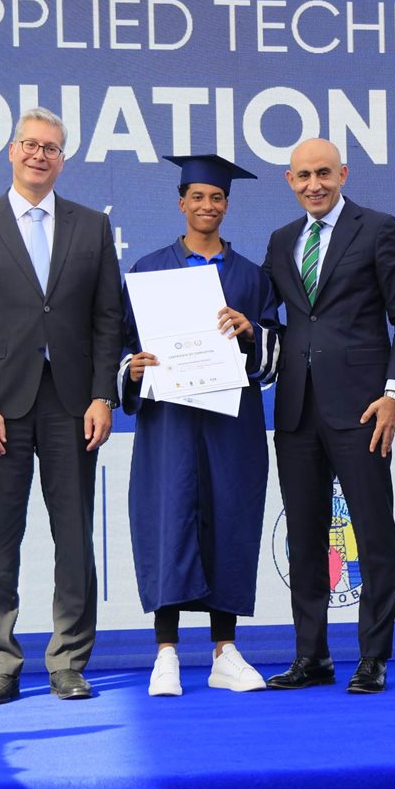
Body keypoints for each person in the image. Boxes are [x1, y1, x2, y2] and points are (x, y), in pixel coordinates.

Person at [0, 107, 122, 706]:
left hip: (73, 404)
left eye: (51, 148)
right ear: (11, 151)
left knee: (74, 536)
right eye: (30, 144)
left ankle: (68, 660)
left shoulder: (92, 226)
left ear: (62, 160)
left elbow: (107, 320)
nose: (39, 155)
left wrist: (102, 395)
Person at [261, 138, 395, 694]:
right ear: (289, 181)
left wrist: (394, 393)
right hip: (296, 410)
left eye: (324, 174)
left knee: (373, 534)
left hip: (363, 409)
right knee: (304, 538)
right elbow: (264, 314)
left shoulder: (379, 229)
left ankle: (373, 657)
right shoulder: (282, 240)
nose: (314, 185)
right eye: (304, 175)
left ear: (343, 174)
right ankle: (311, 657)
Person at [121, 154, 281, 696]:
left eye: (216, 198)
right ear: (181, 203)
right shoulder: (148, 271)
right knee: (168, 517)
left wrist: (250, 332)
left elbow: (272, 356)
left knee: (229, 518)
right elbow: (123, 346)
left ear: (226, 205)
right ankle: (165, 653)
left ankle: (224, 652)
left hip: (231, 422)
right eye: (197, 197)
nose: (207, 205)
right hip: (168, 421)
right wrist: (132, 367)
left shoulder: (252, 277)